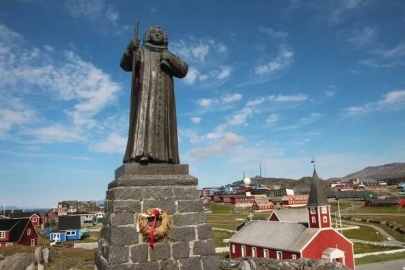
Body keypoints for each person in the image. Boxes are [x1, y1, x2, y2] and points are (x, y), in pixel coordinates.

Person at [120, 26, 189, 165]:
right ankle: (141, 154)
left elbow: (183, 70)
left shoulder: (168, 55)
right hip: (145, 95)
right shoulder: (141, 53)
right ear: (148, 36)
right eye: (154, 33)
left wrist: (169, 57)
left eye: (160, 33)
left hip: (165, 97)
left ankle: (167, 158)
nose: (157, 34)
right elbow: (125, 65)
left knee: (165, 124)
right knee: (145, 120)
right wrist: (129, 49)